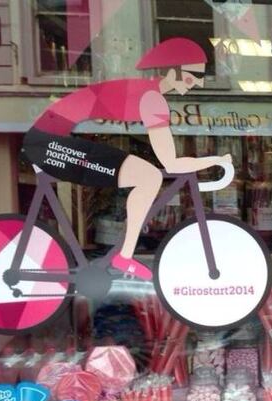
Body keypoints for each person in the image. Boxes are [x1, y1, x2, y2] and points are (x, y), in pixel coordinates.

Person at [22, 37, 228, 281]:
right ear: (173, 72)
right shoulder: (152, 99)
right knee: (149, 176)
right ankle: (125, 257)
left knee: (147, 174)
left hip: (46, 139)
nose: (198, 83)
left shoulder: (146, 90)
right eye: (193, 75)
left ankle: (123, 257)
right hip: (46, 143)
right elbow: (171, 163)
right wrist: (216, 160)